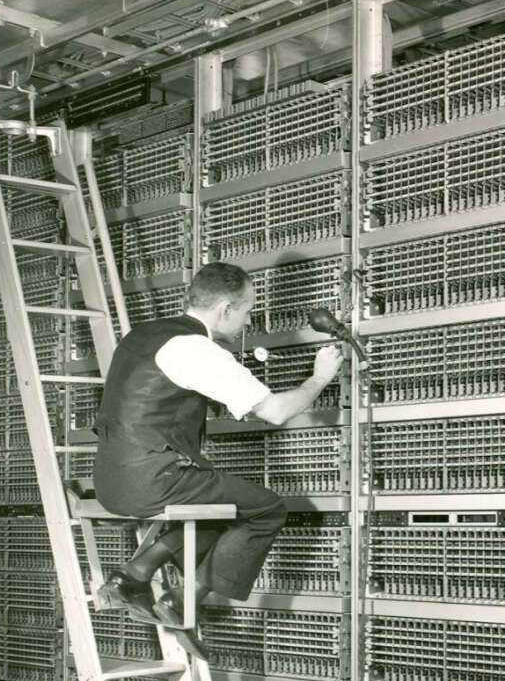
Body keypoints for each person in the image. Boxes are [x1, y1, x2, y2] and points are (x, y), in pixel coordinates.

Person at [92, 261, 344, 658]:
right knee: (265, 509)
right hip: (154, 480)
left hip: (110, 479)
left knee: (219, 508)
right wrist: (319, 378)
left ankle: (135, 576)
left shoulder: (147, 334)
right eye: (246, 311)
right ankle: (183, 600)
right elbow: (276, 412)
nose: (246, 322)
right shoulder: (197, 350)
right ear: (226, 309)